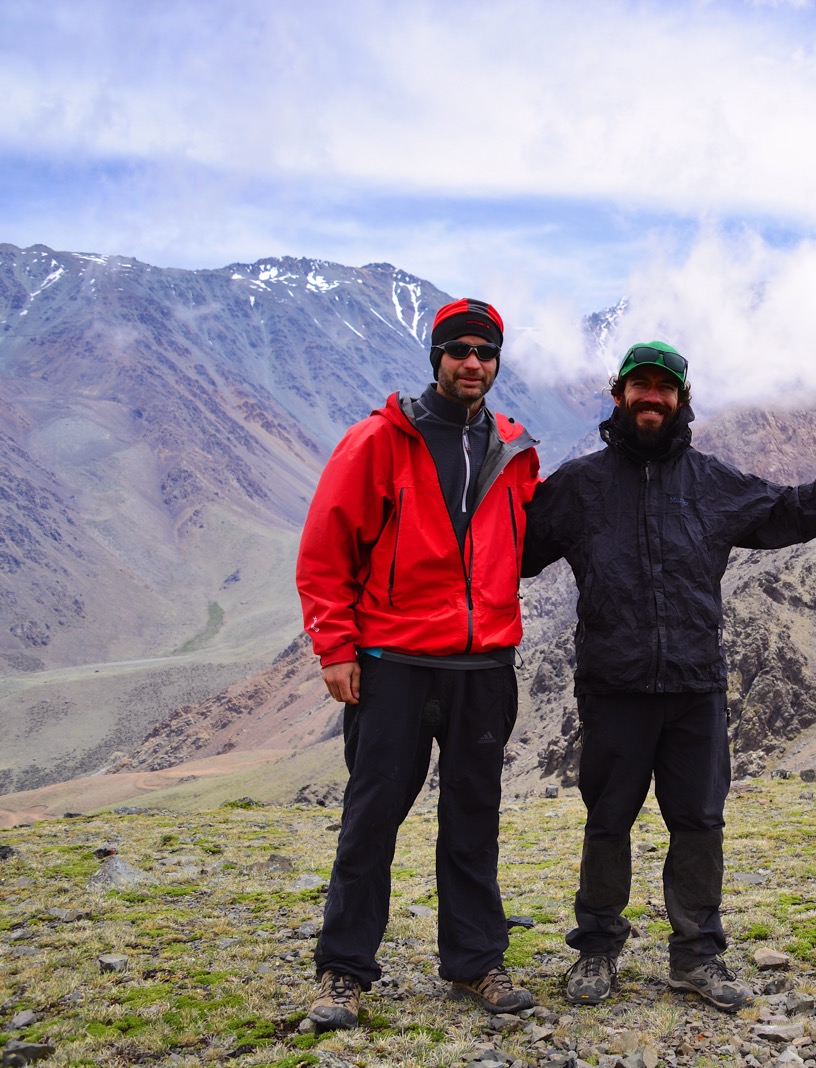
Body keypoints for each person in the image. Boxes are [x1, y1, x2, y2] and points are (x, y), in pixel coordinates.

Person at [521, 340, 816, 1012]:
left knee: (699, 823)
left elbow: (789, 513)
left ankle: (697, 956)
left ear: (680, 400)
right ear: (619, 395)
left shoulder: (709, 481)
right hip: (613, 688)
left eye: (664, 388)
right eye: (640, 385)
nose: (652, 397)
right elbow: (512, 551)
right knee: (607, 822)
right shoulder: (578, 486)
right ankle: (597, 949)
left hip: (694, 687)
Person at [295, 298, 541, 1030]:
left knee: (474, 819)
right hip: (393, 662)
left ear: (496, 363)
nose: (473, 362)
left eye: (485, 352)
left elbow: (528, 539)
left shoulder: (513, 448)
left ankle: (475, 962)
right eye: (459, 349)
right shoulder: (378, 440)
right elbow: (326, 548)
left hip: (483, 666)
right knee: (371, 818)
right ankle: (344, 971)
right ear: (436, 357)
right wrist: (335, 648)